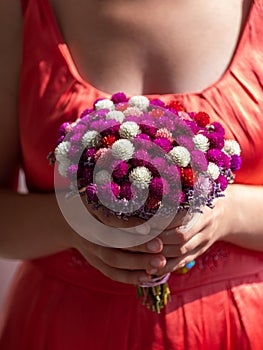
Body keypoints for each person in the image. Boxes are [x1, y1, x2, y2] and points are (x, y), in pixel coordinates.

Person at [0, 0, 263, 348]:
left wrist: (226, 215)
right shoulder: (19, 11)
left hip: (233, 328)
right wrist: (74, 225)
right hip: (67, 330)